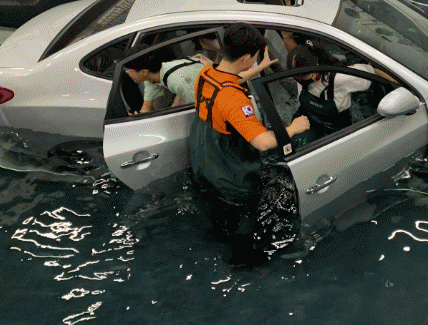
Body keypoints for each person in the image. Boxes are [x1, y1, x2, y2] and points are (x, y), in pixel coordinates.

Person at [189, 22, 310, 266]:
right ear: (246, 57)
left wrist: (261, 67)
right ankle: (242, 262)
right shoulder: (235, 100)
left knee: (219, 207)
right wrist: (293, 128)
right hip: (228, 167)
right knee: (246, 210)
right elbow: (263, 142)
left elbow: (231, 81)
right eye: (254, 57)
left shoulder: (207, 73)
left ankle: (219, 236)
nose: (254, 60)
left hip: (202, 155)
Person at [123, 41, 276, 114]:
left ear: (143, 71)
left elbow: (200, 108)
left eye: (128, 70)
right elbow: (146, 108)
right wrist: (137, 118)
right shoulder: (151, 77)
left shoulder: (177, 80)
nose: (127, 74)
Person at [287, 41, 398, 139]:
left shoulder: (340, 77)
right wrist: (287, 38)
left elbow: (374, 72)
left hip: (335, 124)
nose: (301, 82)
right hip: (305, 116)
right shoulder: (299, 69)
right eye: (298, 79)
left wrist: (402, 83)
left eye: (305, 79)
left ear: (316, 66)